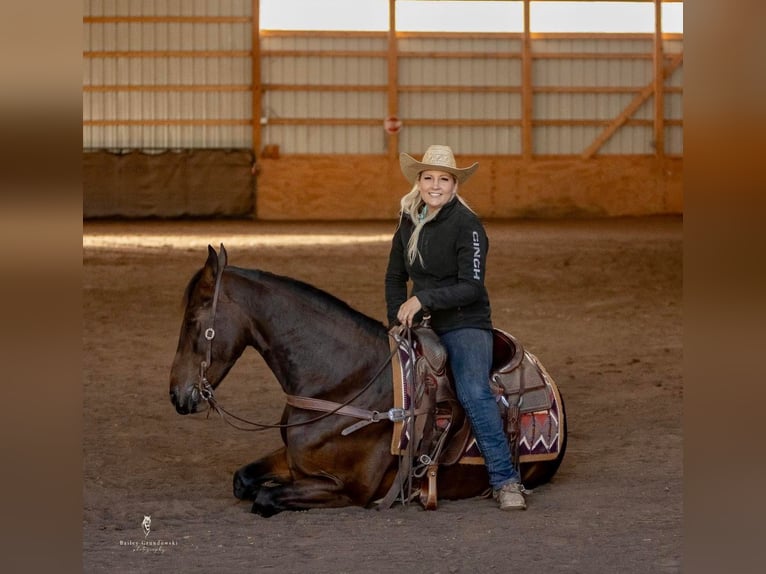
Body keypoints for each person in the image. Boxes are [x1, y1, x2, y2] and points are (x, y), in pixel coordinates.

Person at [384, 144, 526, 511]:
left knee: (473, 390)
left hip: (465, 322)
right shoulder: (407, 220)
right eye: (428, 178)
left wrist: (423, 301)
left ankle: (505, 479)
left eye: (443, 179)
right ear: (418, 182)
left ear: (454, 185)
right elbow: (395, 277)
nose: (435, 185)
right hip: (423, 322)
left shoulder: (468, 226)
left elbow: (471, 286)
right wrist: (393, 321)